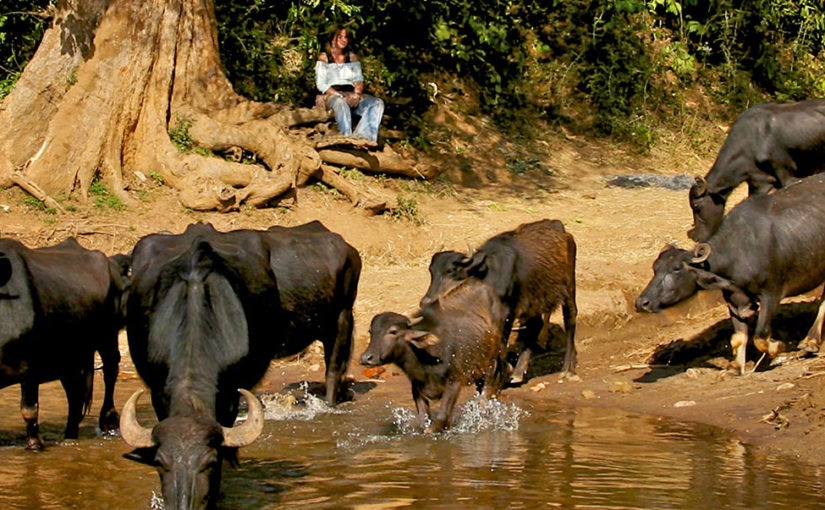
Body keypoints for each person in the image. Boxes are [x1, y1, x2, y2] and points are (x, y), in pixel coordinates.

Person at [314, 26, 384, 147]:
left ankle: (363, 138)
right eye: (340, 37)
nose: (343, 40)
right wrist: (339, 95)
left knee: (376, 103)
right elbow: (321, 84)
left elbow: (359, 80)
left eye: (346, 37)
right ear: (333, 40)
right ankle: (346, 138)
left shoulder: (352, 57)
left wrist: (356, 95)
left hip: (351, 93)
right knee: (340, 102)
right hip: (332, 94)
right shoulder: (324, 57)